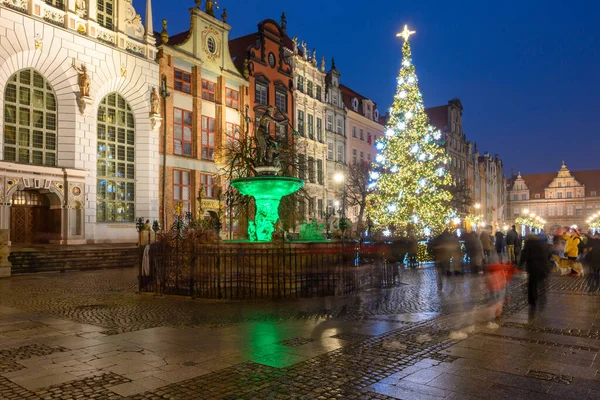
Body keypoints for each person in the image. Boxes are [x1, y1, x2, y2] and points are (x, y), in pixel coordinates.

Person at [519, 233, 550, 312]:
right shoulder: (542, 244)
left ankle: (532, 300)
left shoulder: (528, 245)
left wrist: (519, 265)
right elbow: (548, 255)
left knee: (532, 284)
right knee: (541, 283)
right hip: (542, 268)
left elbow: (524, 256)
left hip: (532, 268)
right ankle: (542, 297)